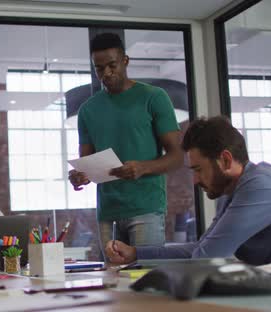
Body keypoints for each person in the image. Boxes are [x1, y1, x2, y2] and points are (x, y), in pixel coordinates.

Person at [106, 116, 271, 267]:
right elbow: (202, 249)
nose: (195, 180)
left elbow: (206, 258)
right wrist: (136, 253)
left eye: (198, 169)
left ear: (225, 159)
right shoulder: (232, 190)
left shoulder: (263, 186)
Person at [68, 33, 183, 255]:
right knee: (112, 283)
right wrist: (79, 175)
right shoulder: (88, 110)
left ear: (125, 61)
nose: (107, 73)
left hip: (146, 208)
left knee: (145, 279)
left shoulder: (154, 97)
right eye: (99, 68)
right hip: (107, 213)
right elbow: (86, 163)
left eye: (112, 65)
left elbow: (177, 156)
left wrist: (143, 167)